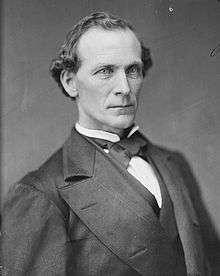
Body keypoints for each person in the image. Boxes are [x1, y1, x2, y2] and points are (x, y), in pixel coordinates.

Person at [2, 12, 211, 276]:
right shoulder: (40, 193)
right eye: (105, 71)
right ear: (70, 82)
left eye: (132, 70)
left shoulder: (175, 163)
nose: (124, 87)